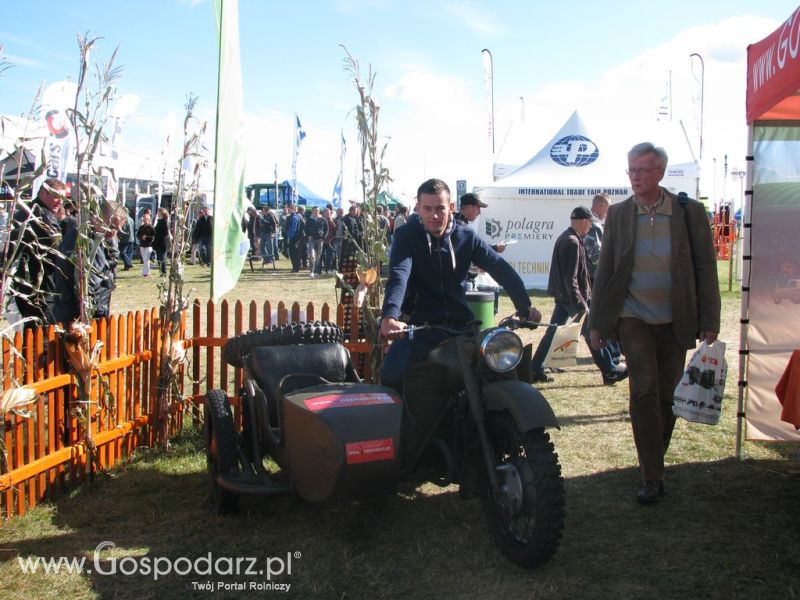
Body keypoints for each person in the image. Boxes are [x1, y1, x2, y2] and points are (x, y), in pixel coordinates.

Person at [589, 142, 720, 505]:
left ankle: (651, 455)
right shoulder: (618, 214)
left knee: (667, 395)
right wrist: (597, 323)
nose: (635, 176)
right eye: (631, 170)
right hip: (633, 317)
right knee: (643, 389)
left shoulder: (688, 212)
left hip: (677, 319)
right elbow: (606, 272)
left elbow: (706, 268)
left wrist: (709, 319)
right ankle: (652, 476)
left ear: (660, 173)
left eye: (642, 170)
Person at [379, 178, 541, 394]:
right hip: (420, 327)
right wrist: (390, 316)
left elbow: (499, 266)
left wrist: (524, 306)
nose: (434, 215)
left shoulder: (466, 236)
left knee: (505, 368)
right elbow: (400, 274)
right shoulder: (406, 236)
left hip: (461, 326)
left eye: (440, 208)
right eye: (427, 208)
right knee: (391, 376)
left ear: (451, 208)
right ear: (418, 208)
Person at [529, 206, 628, 385]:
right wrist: (582, 304)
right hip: (571, 298)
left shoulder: (566, 237)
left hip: (563, 296)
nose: (590, 227)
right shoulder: (572, 242)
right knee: (591, 332)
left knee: (552, 332)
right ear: (583, 221)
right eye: (589, 223)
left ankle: (535, 369)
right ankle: (610, 370)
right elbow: (571, 278)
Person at [7, 178, 77, 328]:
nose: (60, 202)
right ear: (44, 193)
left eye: (63, 198)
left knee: (32, 329)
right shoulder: (43, 216)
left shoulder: (25, 211)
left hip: (25, 283)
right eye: (56, 196)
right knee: (42, 331)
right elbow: (58, 253)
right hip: (42, 284)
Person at [583, 193, 623, 366]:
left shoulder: (592, 222)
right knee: (599, 318)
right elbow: (596, 256)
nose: (608, 212)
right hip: (595, 278)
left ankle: (613, 355)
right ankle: (611, 358)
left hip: (591, 278)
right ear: (600, 206)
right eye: (607, 208)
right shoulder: (594, 224)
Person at [305, 206, 328, 277]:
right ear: (312, 211)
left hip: (320, 240)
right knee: (312, 256)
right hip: (311, 240)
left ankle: (316, 272)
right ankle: (311, 271)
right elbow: (305, 229)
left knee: (318, 257)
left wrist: (323, 237)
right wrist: (308, 235)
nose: (316, 212)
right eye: (315, 210)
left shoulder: (323, 219)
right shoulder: (309, 220)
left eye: (317, 210)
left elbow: (326, 229)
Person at [285, 203, 305, 273]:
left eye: (289, 208)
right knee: (295, 253)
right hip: (296, 237)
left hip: (294, 238)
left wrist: (291, 237)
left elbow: (293, 229)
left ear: (291, 208)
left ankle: (296, 268)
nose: (288, 209)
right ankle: (296, 267)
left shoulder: (294, 217)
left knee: (294, 253)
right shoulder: (294, 216)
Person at [153, 207, 171, 276]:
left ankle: (163, 272)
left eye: (158, 212)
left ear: (161, 213)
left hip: (162, 242)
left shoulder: (164, 221)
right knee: (159, 258)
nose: (157, 213)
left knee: (162, 257)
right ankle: (161, 272)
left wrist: (158, 233)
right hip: (158, 242)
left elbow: (166, 233)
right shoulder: (159, 221)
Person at [136, 213, 156, 277]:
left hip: (149, 245)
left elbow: (154, 236)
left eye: (146, 219)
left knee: (146, 258)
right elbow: (138, 235)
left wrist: (146, 237)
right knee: (145, 259)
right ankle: (146, 272)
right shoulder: (141, 227)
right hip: (142, 245)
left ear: (149, 220)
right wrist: (142, 237)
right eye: (144, 219)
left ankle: (146, 273)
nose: (144, 220)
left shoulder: (151, 227)